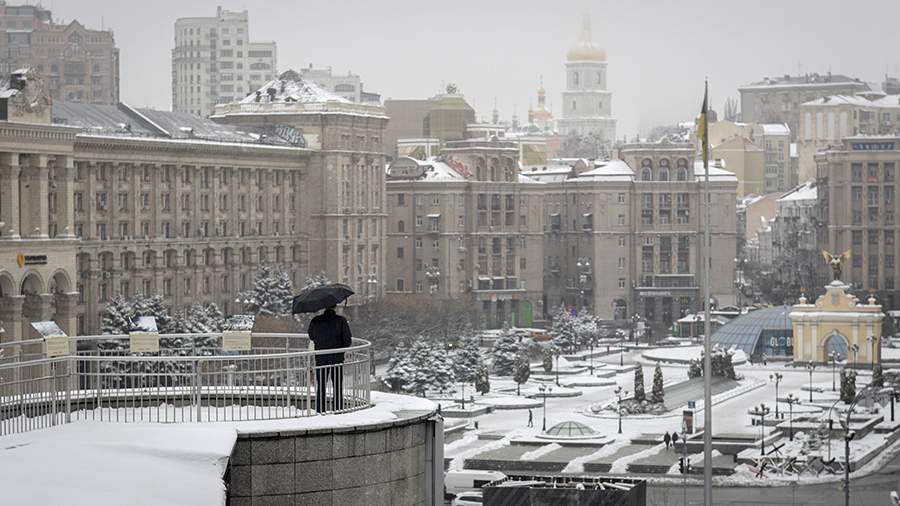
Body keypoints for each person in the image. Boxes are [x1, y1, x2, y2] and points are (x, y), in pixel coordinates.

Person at [307, 304, 353, 413]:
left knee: (321, 385)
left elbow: (311, 336)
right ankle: (337, 409)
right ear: (335, 307)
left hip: (321, 358)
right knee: (337, 385)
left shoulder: (316, 320)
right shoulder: (341, 321)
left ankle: (320, 410)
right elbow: (347, 340)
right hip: (337, 358)